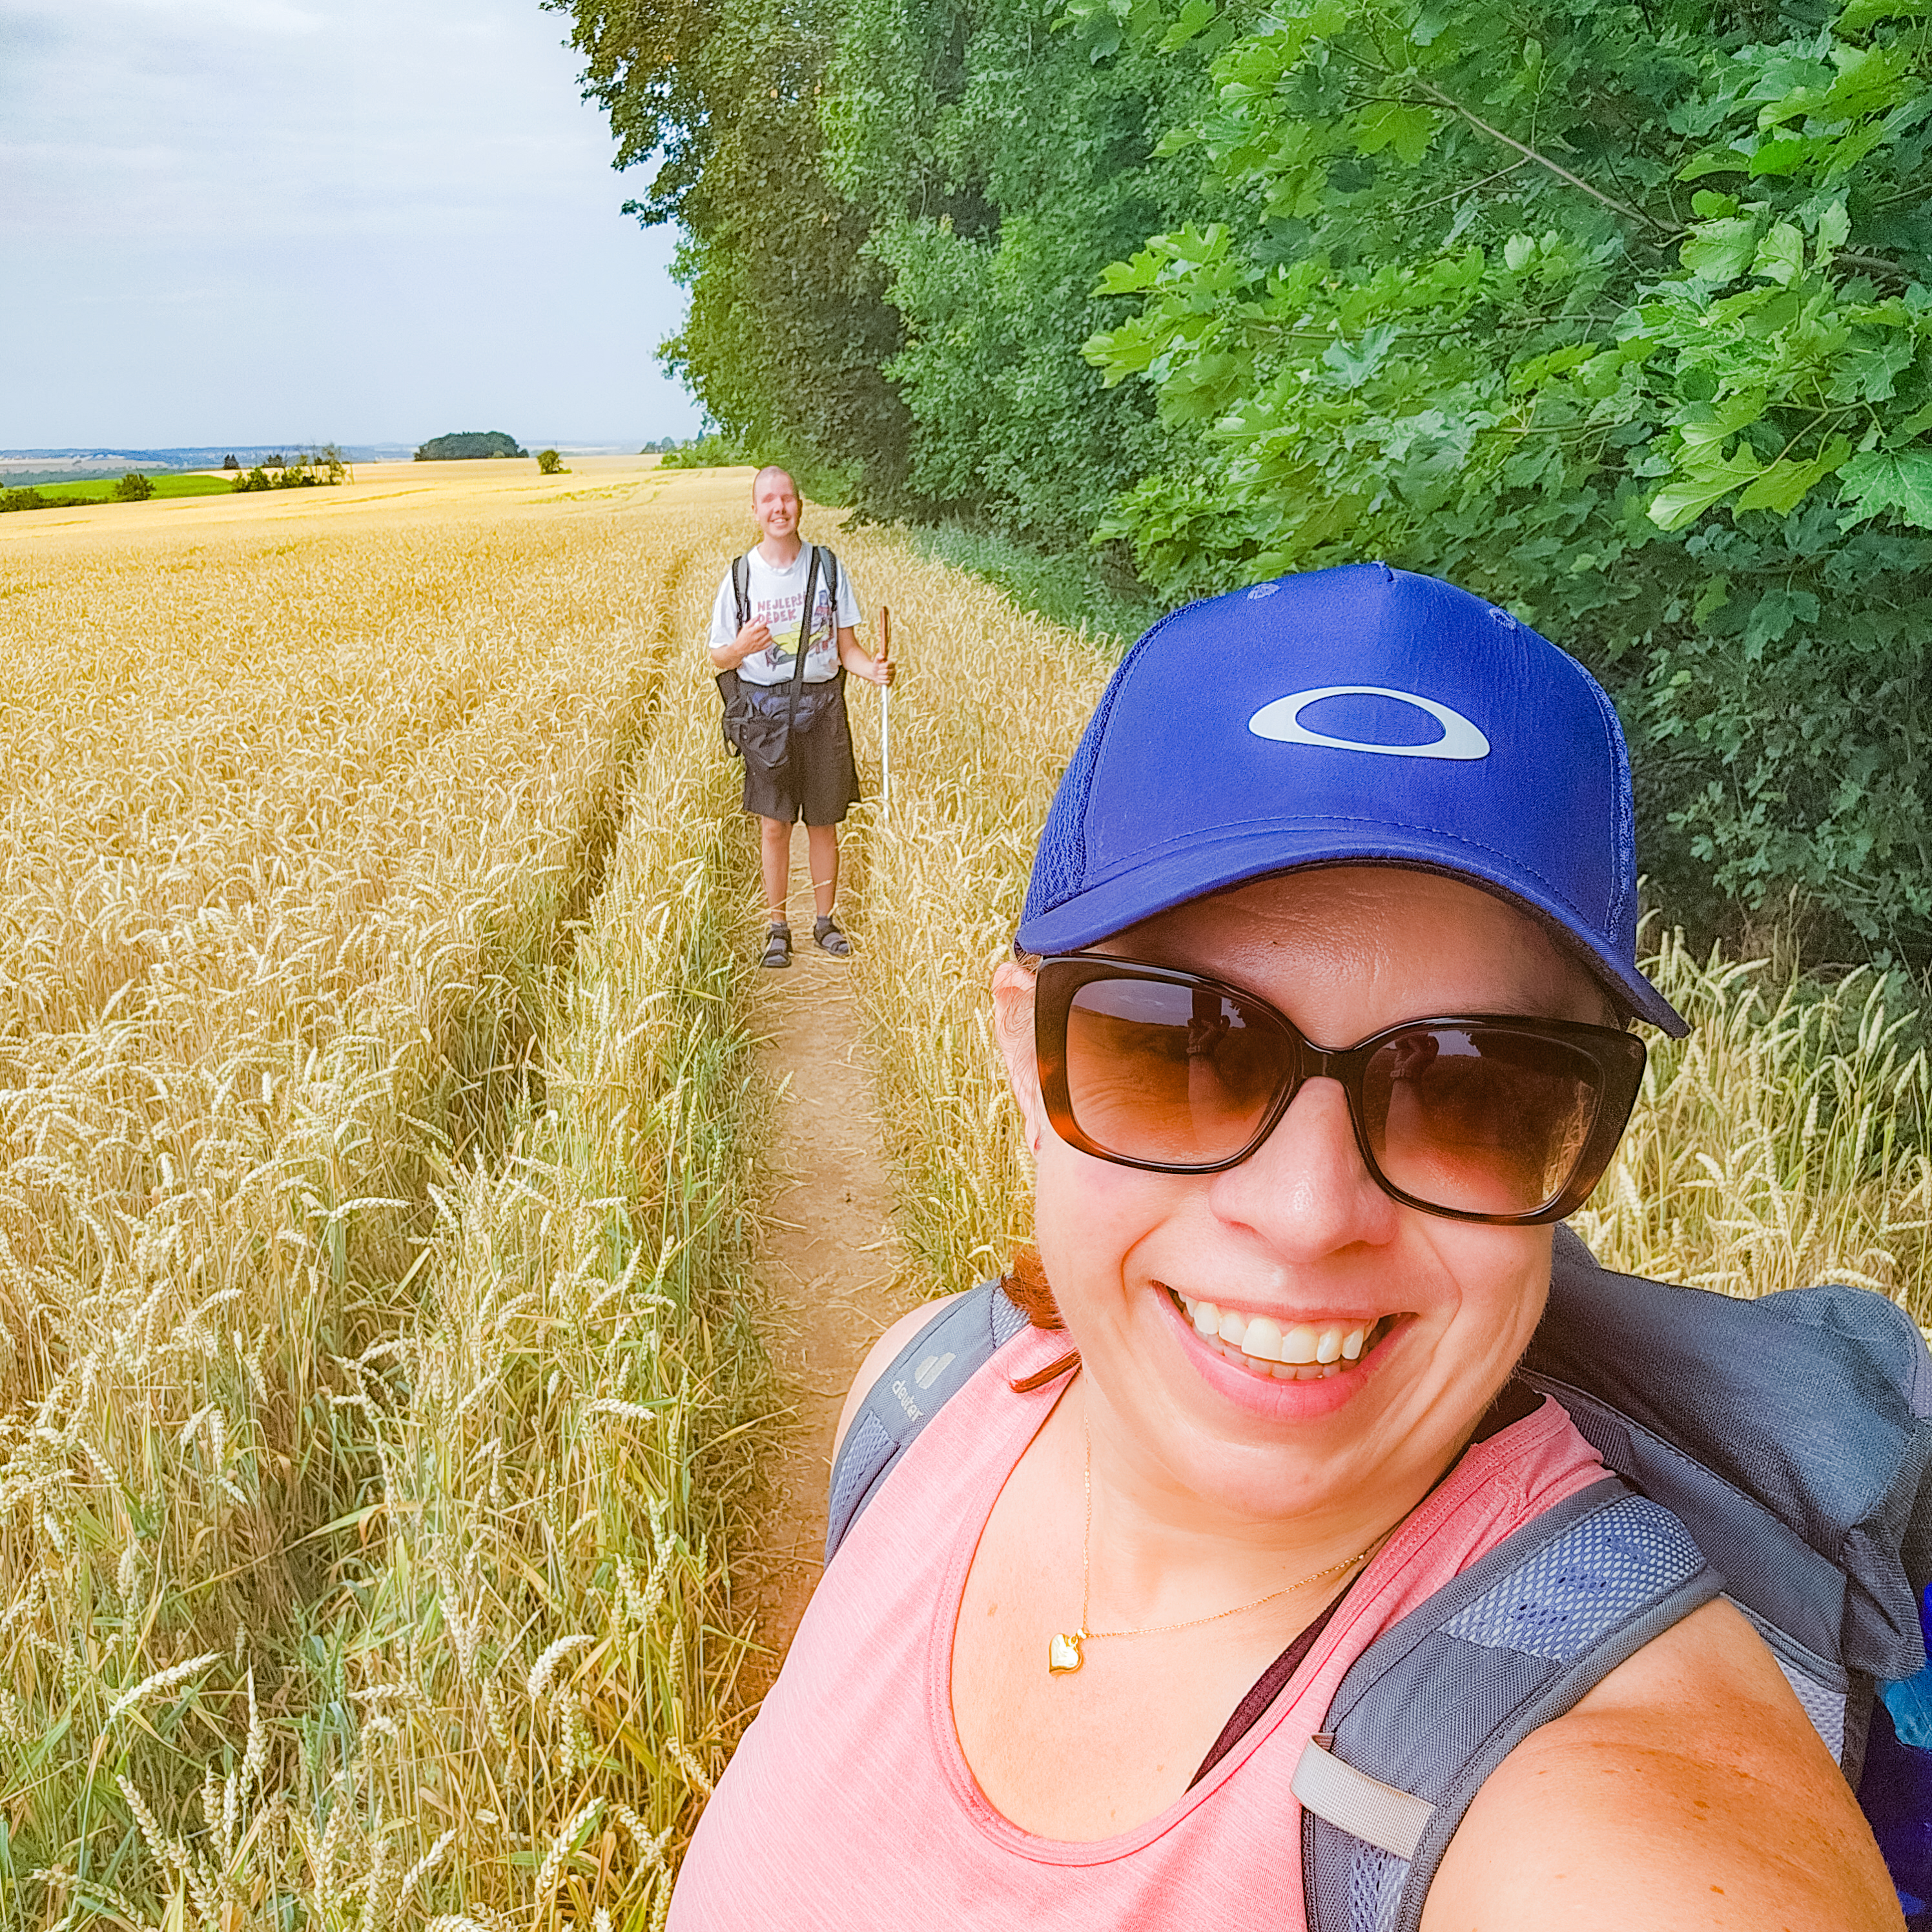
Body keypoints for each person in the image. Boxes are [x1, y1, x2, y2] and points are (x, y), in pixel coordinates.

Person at [670, 564, 1902, 1928]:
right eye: (1183, 1043)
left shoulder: (1610, 1816)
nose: (1309, 1213)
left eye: (1471, 1084)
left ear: (1582, 1136)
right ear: (1024, 1055)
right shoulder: (914, 1400)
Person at [707, 466, 892, 967]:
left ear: (800, 504)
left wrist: (872, 670)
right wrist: (741, 646)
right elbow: (718, 657)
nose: (779, 507)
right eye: (768, 500)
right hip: (765, 720)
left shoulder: (828, 568)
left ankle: (825, 921)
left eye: (786, 497)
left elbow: (846, 649)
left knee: (824, 823)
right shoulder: (741, 575)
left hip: (824, 709)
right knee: (773, 827)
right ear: (755, 510)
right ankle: (777, 926)